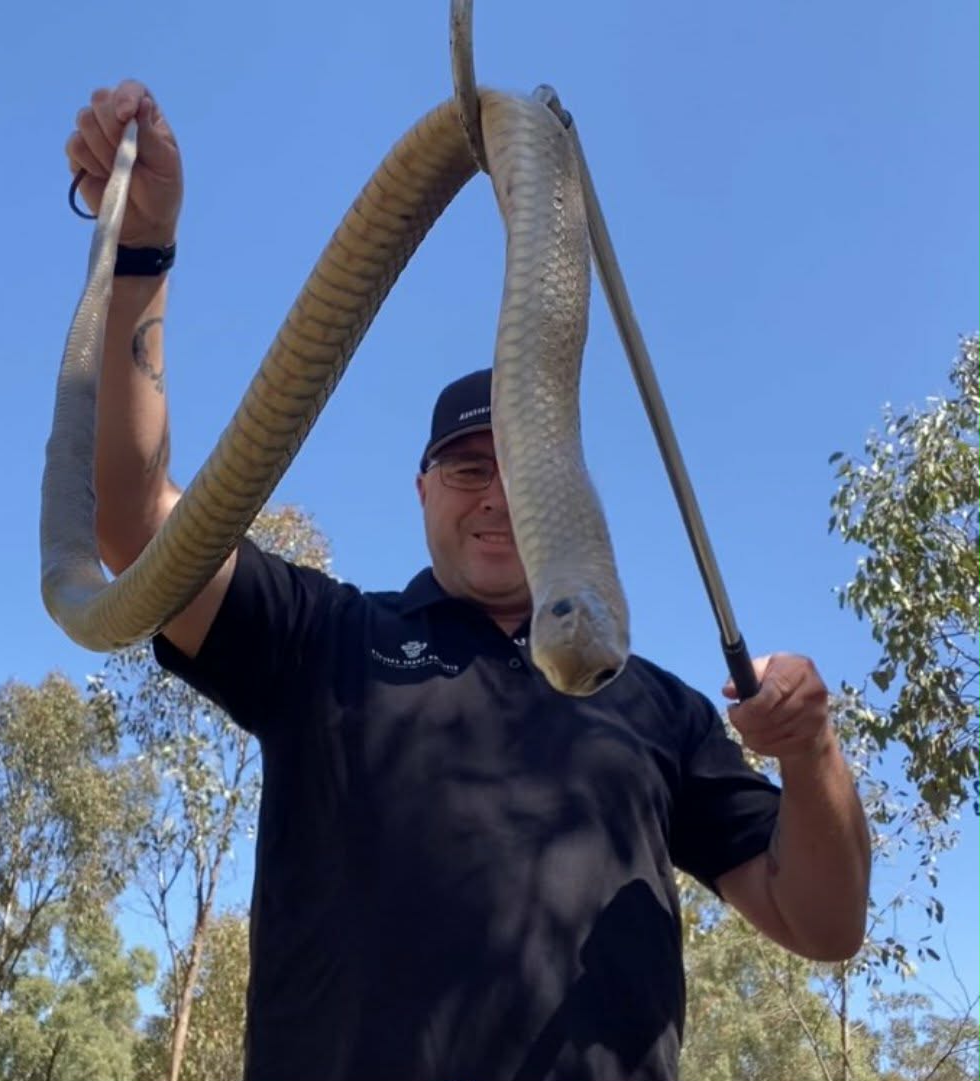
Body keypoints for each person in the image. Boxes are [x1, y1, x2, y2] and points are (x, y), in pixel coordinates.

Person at [68, 79, 871, 1081]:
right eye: (466, 467)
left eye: (524, 466)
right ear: (422, 489)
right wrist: (141, 248)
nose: (497, 496)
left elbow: (822, 920)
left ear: (565, 484)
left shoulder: (661, 709)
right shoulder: (325, 639)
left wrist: (813, 752)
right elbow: (136, 526)